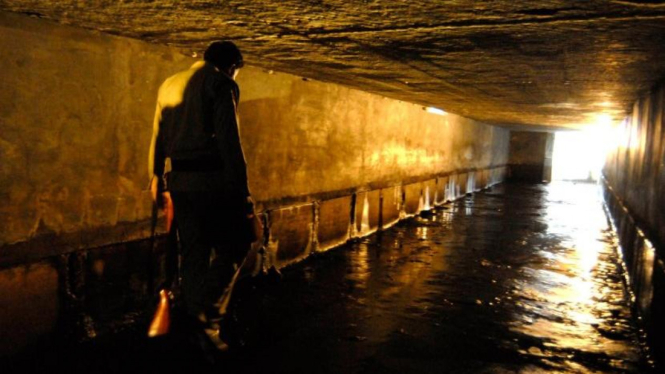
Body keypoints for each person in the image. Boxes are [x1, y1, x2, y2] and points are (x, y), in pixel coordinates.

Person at [148, 41, 258, 352]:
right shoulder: (221, 83)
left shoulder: (169, 84)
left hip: (179, 182)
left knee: (193, 254)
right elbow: (229, 143)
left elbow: (157, 133)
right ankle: (205, 319)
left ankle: (193, 326)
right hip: (213, 182)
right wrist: (243, 194)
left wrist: (155, 175)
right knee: (235, 246)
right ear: (232, 66)